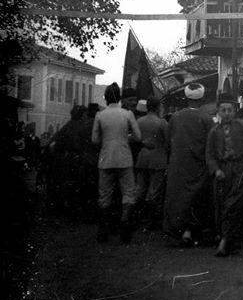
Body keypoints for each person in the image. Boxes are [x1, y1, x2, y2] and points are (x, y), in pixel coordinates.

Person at [206, 94, 243, 257]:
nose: (227, 113)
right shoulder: (214, 131)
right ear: (218, 112)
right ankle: (227, 239)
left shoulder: (242, 125)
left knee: (233, 204)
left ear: (235, 111)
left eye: (230, 110)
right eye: (223, 110)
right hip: (223, 171)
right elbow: (209, 154)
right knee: (222, 205)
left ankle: (224, 241)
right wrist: (216, 170)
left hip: (240, 170)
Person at [163, 82, 214, 246]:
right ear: (202, 99)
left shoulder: (175, 117)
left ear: (185, 98)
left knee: (178, 198)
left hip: (178, 166)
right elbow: (211, 144)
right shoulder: (206, 119)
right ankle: (192, 231)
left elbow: (168, 143)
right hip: (198, 166)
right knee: (196, 199)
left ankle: (179, 231)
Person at [91, 82, 141, 244]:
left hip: (106, 158)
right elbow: (138, 137)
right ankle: (125, 220)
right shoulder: (127, 114)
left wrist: (107, 141)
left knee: (105, 195)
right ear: (119, 97)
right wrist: (125, 139)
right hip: (124, 157)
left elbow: (95, 139)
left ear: (105, 97)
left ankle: (103, 229)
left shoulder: (100, 115)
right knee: (128, 192)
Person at [135, 97, 169, 232]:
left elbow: (136, 138)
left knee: (140, 189)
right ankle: (150, 222)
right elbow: (167, 142)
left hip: (142, 157)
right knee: (154, 191)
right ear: (157, 107)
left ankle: (136, 218)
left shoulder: (139, 121)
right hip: (158, 158)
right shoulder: (162, 123)